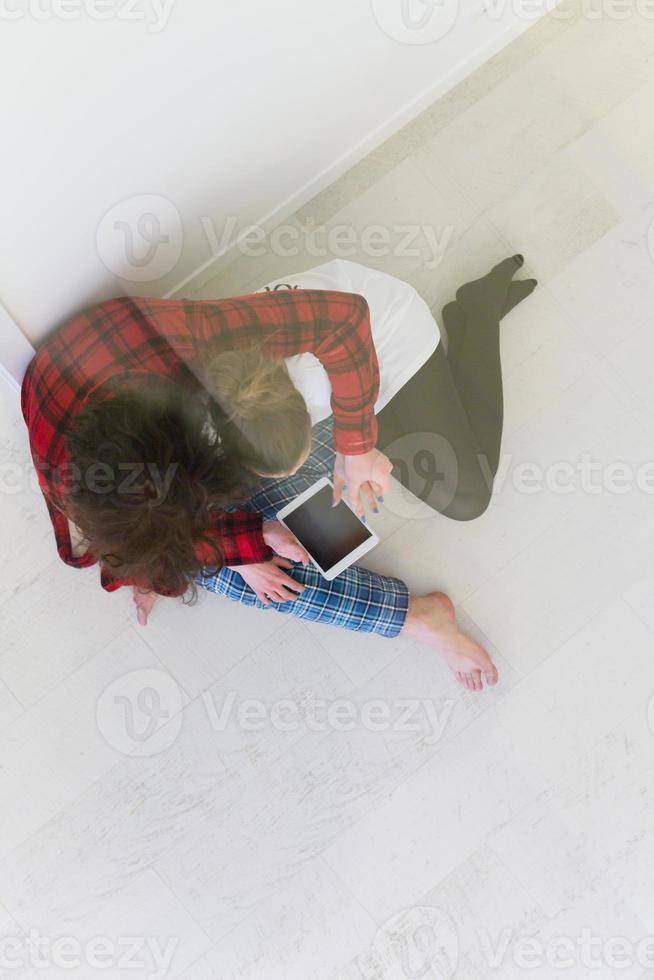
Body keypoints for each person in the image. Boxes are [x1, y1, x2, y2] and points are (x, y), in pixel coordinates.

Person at [20, 256, 533, 691]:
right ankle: (416, 618)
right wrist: (178, 555)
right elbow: (123, 537)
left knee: (469, 495)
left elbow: (344, 318)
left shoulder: (205, 349)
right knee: (249, 576)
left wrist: (357, 443)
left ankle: (475, 316)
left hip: (384, 348)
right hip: (286, 408)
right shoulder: (74, 479)